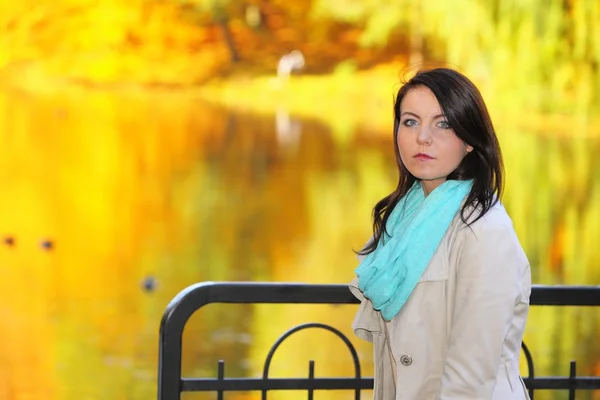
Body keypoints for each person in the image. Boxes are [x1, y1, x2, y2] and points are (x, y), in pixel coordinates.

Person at [349, 67, 531, 400]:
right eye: (411, 121)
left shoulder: (484, 233)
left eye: (443, 124)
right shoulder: (406, 220)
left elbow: (469, 380)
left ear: (469, 141)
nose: (423, 137)